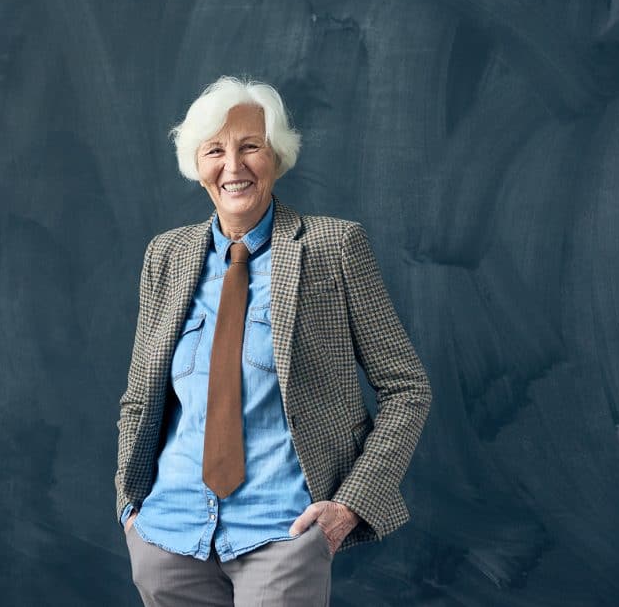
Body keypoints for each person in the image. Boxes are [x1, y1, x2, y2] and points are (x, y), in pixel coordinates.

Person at [115, 76, 432, 606]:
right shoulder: (166, 256)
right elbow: (139, 396)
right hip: (168, 537)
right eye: (215, 150)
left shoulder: (334, 247)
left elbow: (407, 388)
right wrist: (132, 510)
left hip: (283, 533)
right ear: (197, 166)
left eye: (250, 147)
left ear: (276, 157)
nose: (233, 167)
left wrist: (349, 505)